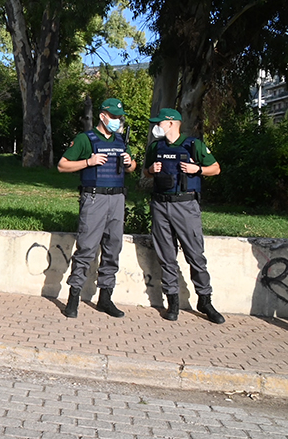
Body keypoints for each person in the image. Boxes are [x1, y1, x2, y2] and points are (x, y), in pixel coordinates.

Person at [143, 108, 225, 324]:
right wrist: (151, 169)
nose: (156, 127)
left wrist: (196, 169)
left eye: (159, 123)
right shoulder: (155, 147)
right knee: (166, 255)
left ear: (171, 123)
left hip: (185, 205)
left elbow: (215, 168)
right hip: (160, 204)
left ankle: (205, 301)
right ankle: (173, 302)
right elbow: (146, 172)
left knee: (195, 255)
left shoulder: (193, 145)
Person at [57, 98, 137, 319]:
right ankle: (73, 298)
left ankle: (105, 298)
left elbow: (131, 168)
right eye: (113, 117)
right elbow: (62, 165)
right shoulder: (86, 139)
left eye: (119, 117)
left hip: (117, 199)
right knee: (86, 248)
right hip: (94, 199)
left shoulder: (121, 140)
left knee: (113, 249)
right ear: (102, 116)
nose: (117, 121)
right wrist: (88, 163)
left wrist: (130, 163)